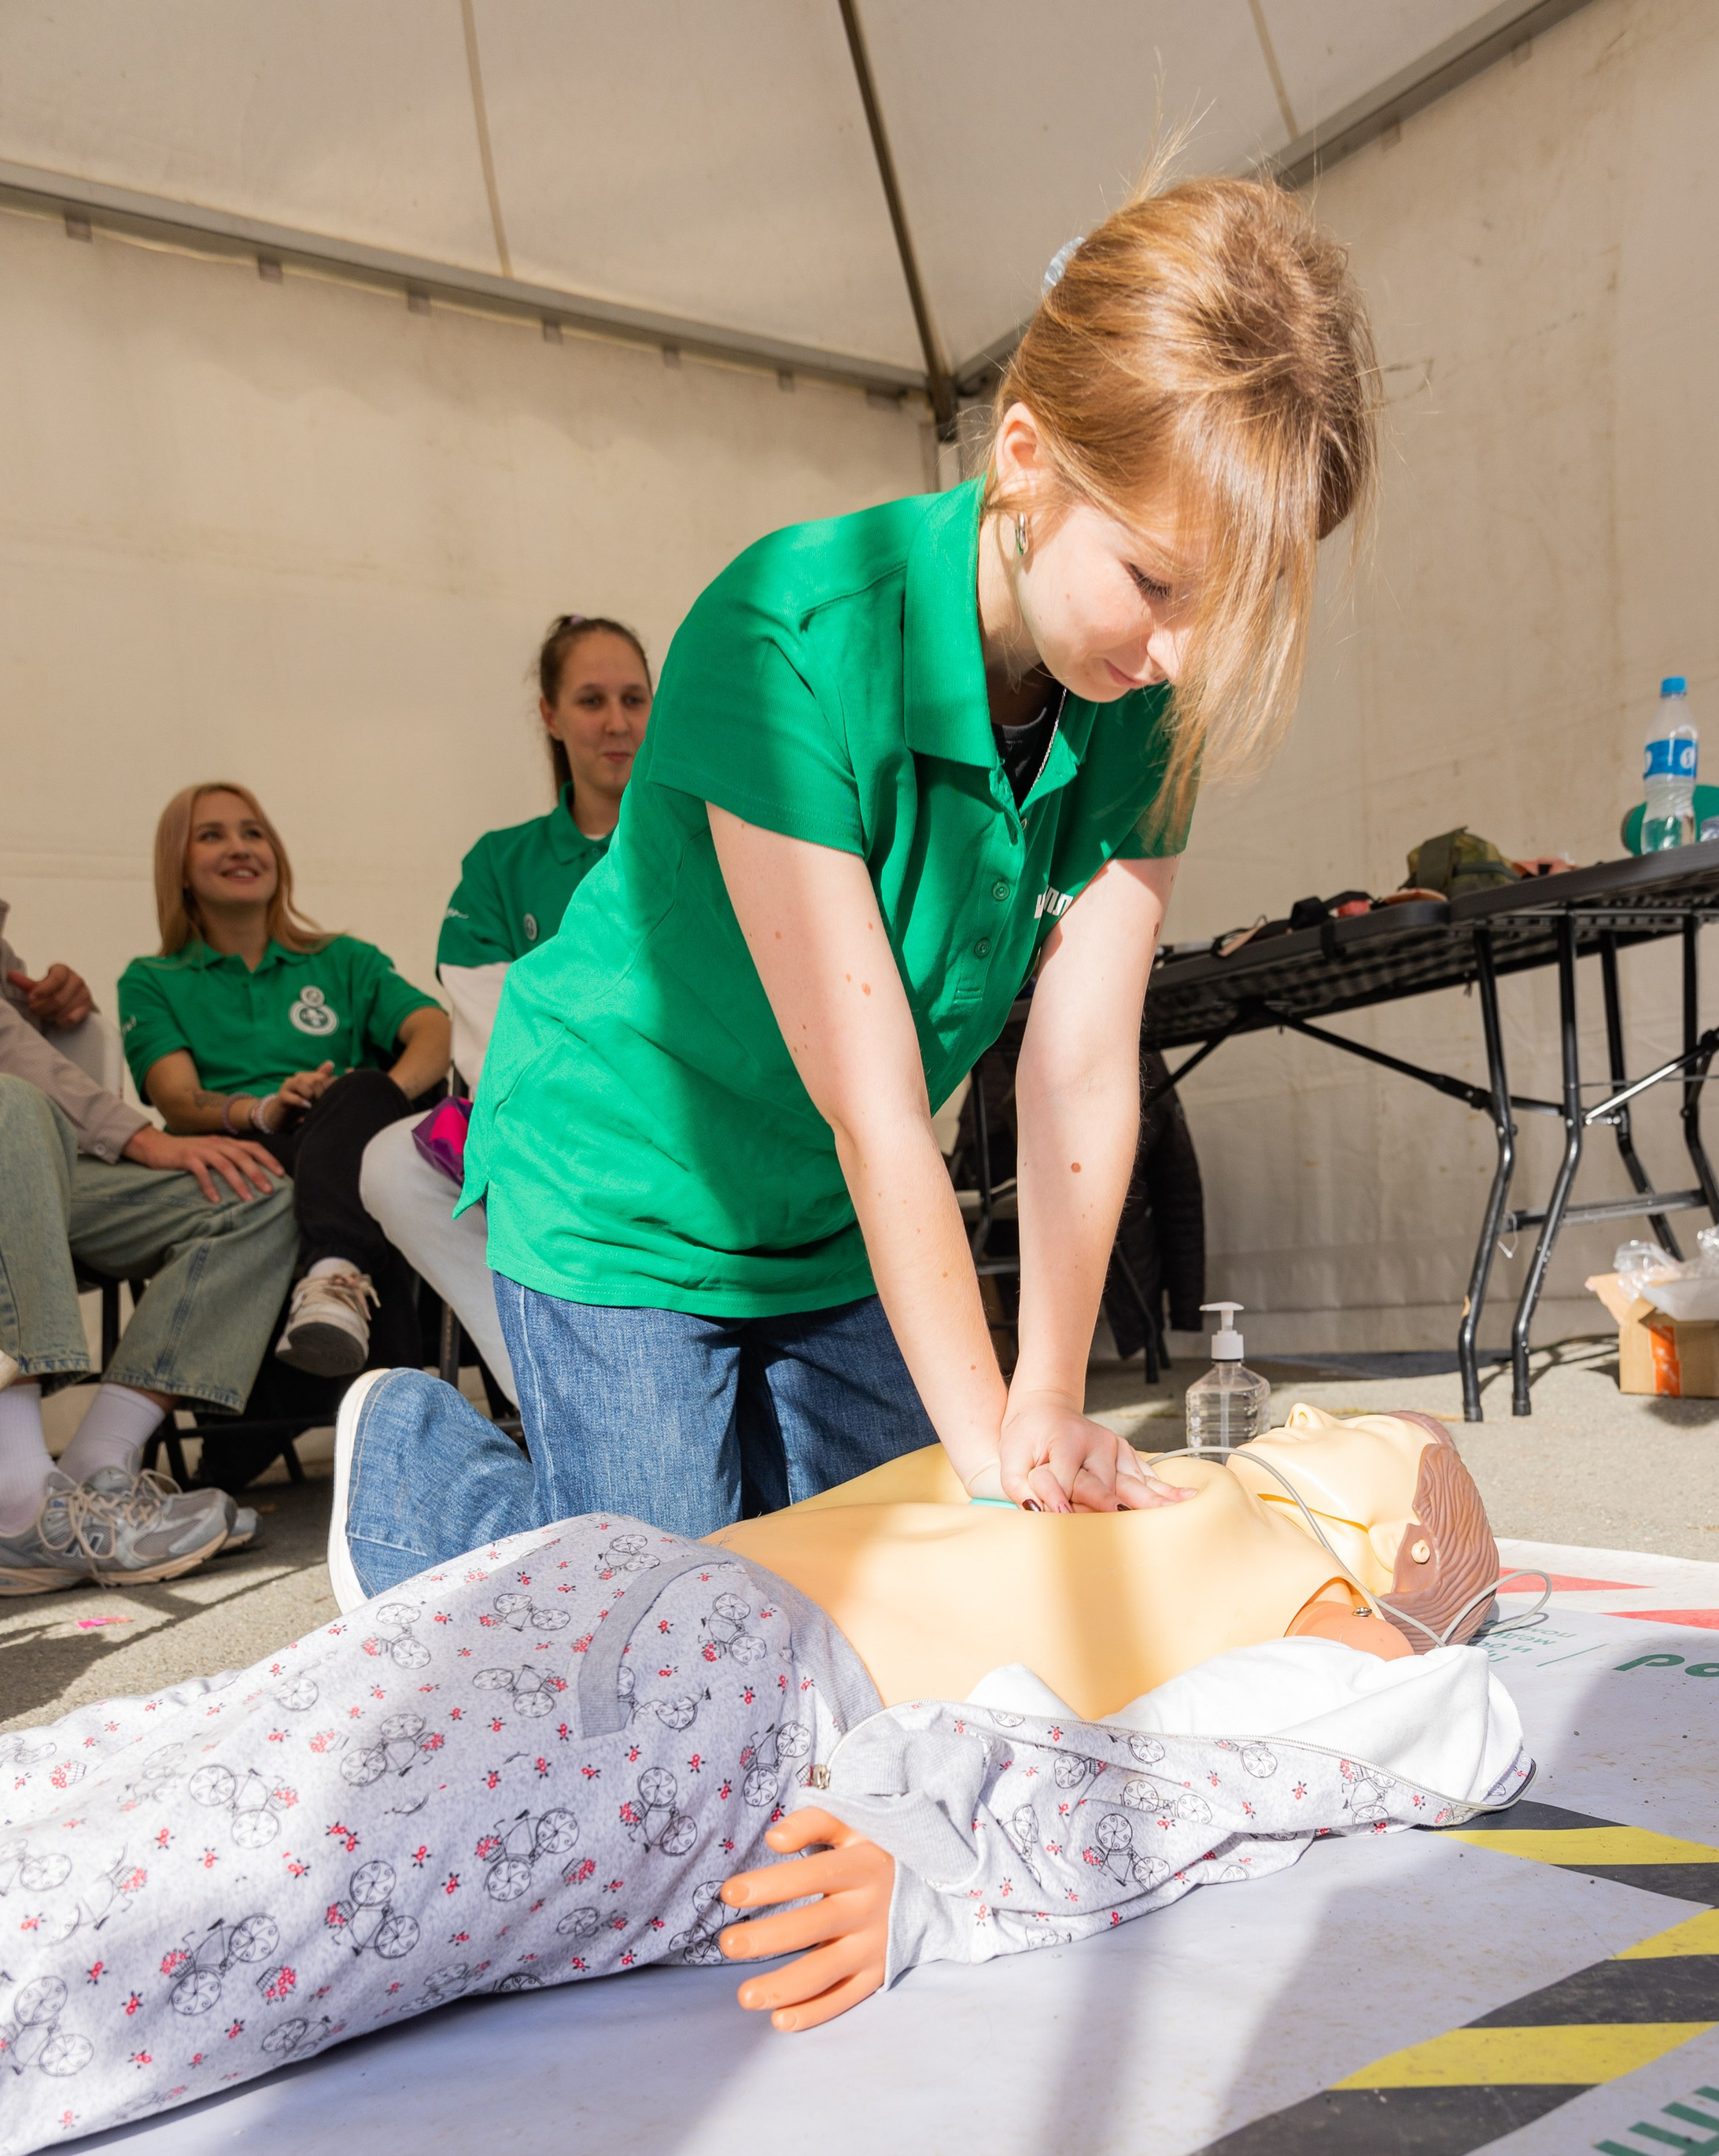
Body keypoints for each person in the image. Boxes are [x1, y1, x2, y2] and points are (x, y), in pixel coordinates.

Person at [369, 173, 1376, 1553]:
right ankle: (420, 1481)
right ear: (1025, 456)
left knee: (878, 1587)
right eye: (1157, 581)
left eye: (1234, 605)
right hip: (629, 1186)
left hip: (829, 1221)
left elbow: (1081, 1067)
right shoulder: (784, 629)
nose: (1186, 656)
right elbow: (880, 1108)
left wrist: (1048, 1401)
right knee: (673, 1620)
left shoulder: (1144, 687)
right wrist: (994, 1467)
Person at [0, 1405, 1518, 2156]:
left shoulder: (1248, 1528)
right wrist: (939, 1847)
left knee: (185, 1813)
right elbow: (1242, 1752)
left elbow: (1242, 1745)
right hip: (694, 1687)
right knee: (210, 1872)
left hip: (654, 1631)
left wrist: (930, 1845)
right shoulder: (1257, 1529)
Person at [357, 616, 655, 1395]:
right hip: (550, 1137)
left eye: (634, 698)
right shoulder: (500, 863)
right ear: (551, 717)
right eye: (591, 700)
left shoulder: (701, 840)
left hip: (678, 1135)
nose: (617, 722)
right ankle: (557, 1398)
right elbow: (489, 1048)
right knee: (391, 1163)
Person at [0, 902, 295, 1591]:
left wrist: (48, 1005)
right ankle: (19, 1505)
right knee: (10, 1109)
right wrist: (141, 1136)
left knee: (250, 1189)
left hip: (28, 1159)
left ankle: (93, 1472)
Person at [117, 785, 450, 1379]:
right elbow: (177, 1099)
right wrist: (266, 1108)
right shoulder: (152, 979)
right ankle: (392, 1383)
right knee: (362, 1159)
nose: (240, 848)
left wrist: (372, 1103)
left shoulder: (344, 958)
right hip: (246, 1149)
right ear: (179, 870)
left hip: (346, 1138)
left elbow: (436, 1030)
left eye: (254, 832)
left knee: (366, 1101)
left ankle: (331, 1279)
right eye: (211, 835)